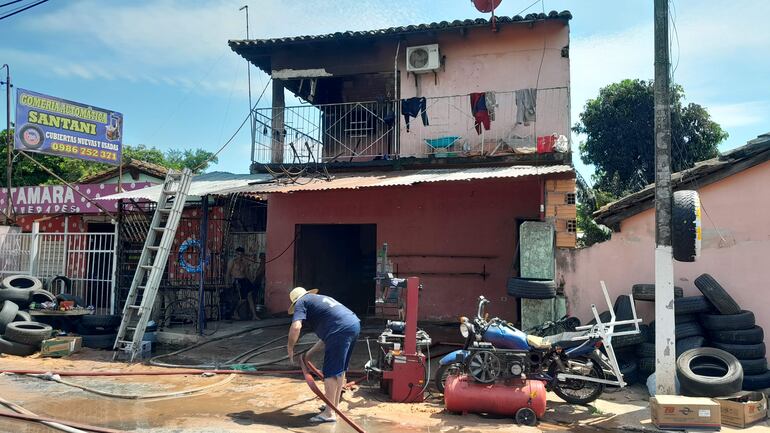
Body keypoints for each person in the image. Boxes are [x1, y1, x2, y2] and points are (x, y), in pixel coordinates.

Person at [287, 287, 360, 424]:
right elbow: (326, 339)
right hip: (353, 324)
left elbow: (296, 326)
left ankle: (329, 413)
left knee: (330, 372)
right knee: (340, 369)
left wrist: (290, 347)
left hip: (340, 329)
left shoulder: (301, 302)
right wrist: (308, 355)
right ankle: (334, 406)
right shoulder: (318, 300)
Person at [225, 247, 256, 320]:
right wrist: (227, 283)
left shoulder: (243, 262)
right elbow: (228, 273)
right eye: (238, 254)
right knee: (242, 299)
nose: (240, 256)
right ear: (236, 254)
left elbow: (246, 273)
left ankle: (254, 315)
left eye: (241, 254)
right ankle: (234, 312)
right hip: (237, 281)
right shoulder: (232, 261)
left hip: (245, 280)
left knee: (250, 297)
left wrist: (251, 281)